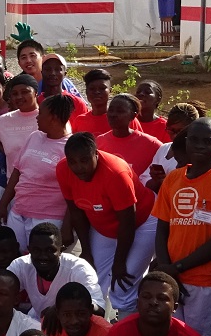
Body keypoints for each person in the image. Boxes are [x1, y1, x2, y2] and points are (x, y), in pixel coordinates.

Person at [151, 117, 211, 335]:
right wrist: (167, 271)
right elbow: (162, 229)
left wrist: (177, 267)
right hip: (173, 280)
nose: (200, 146)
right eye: (194, 140)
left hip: (208, 283)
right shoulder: (173, 179)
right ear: (186, 143)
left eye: (208, 141)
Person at [59, 133, 156, 316]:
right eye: (73, 162)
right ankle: (99, 326)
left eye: (84, 160)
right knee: (92, 279)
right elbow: (76, 212)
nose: (79, 167)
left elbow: (128, 222)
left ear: (96, 154)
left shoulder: (115, 173)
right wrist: (86, 251)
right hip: (104, 227)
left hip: (143, 222)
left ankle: (127, 325)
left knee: (123, 282)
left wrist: (119, 262)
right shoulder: (63, 169)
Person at [0, 94, 72, 245]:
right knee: (16, 255)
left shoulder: (69, 148)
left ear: (53, 118)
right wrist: (3, 205)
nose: (37, 117)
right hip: (18, 213)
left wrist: (67, 226)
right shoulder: (34, 137)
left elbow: (74, 192)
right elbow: (17, 173)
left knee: (40, 258)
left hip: (49, 219)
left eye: (40, 113)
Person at [8, 222, 103, 321]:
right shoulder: (20, 265)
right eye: (36, 250)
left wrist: (60, 308)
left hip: (72, 325)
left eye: (50, 250)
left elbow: (100, 309)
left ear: (61, 250)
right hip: (36, 322)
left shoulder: (79, 269)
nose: (43, 256)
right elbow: (1, 291)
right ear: (29, 250)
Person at [96, 95, 164, 181]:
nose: (113, 115)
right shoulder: (99, 141)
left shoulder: (151, 144)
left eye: (120, 111)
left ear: (133, 116)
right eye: (111, 110)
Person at [0, 76, 41, 174]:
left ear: (36, 93)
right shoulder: (4, 120)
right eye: (15, 94)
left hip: (44, 180)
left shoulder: (47, 117)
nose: (19, 97)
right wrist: (5, 150)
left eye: (24, 92)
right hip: (14, 181)